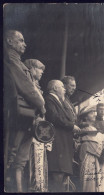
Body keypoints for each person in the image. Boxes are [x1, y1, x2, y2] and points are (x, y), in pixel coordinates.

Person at [4, 30, 46, 192]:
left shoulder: (16, 61)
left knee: (19, 159)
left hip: (26, 115)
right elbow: (27, 88)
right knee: (12, 155)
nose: (24, 44)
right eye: (20, 40)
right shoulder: (11, 59)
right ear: (9, 41)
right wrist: (41, 104)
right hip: (19, 114)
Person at [45, 80, 81, 192]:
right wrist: (72, 126)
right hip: (58, 141)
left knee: (61, 175)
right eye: (62, 87)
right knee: (57, 173)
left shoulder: (59, 101)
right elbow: (54, 117)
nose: (64, 89)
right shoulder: (49, 99)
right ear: (55, 88)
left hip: (63, 142)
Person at [79, 106, 104, 192]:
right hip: (90, 158)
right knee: (91, 185)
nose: (94, 114)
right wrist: (103, 150)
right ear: (85, 117)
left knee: (98, 184)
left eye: (94, 112)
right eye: (91, 113)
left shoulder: (94, 129)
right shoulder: (85, 129)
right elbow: (92, 146)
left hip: (97, 159)